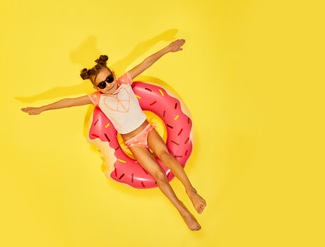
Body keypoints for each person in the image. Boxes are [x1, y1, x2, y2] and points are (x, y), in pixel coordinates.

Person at [21, 39, 206, 231]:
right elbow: (67, 102)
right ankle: (183, 212)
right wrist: (41, 108)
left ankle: (191, 191)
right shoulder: (98, 99)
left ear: (113, 75)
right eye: (102, 83)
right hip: (134, 143)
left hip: (147, 130)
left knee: (166, 156)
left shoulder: (125, 82)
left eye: (109, 78)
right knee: (159, 175)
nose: (108, 84)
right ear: (97, 88)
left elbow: (145, 62)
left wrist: (168, 49)